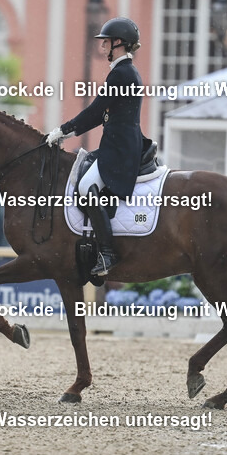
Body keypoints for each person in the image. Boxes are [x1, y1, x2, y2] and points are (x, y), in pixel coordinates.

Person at [45, 16, 150, 276]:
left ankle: (107, 252)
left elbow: (95, 112)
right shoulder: (123, 71)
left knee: (84, 186)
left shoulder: (122, 73)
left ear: (119, 43)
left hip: (120, 148)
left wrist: (63, 131)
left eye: (106, 41)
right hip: (116, 144)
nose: (102, 45)